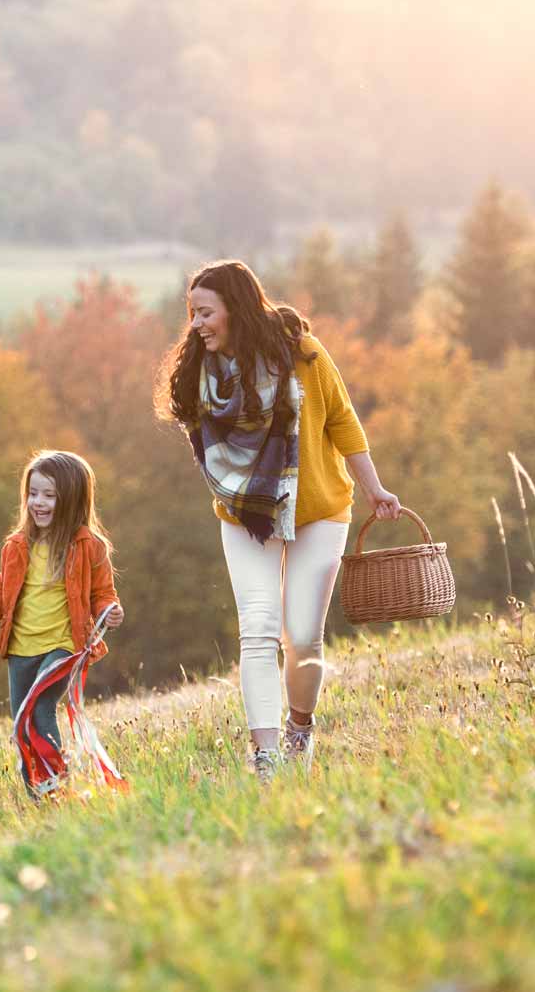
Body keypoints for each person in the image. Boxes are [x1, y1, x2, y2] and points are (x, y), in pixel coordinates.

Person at [155, 259, 400, 783]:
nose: (196, 324)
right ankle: (265, 757)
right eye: (192, 313)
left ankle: (299, 730)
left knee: (304, 635)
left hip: (319, 508)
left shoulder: (304, 354)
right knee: (259, 628)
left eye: (205, 312)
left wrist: (376, 488)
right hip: (246, 514)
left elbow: (342, 419)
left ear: (236, 309)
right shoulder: (204, 371)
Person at [0, 450, 124, 793]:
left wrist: (110, 609)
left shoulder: (89, 546)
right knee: (21, 723)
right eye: (33, 493)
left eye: (49, 495)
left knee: (40, 708)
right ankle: (37, 794)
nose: (39, 502)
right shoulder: (16, 546)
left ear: (73, 500)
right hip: (21, 649)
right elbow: (2, 592)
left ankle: (55, 785)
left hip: (63, 646)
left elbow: (103, 593)